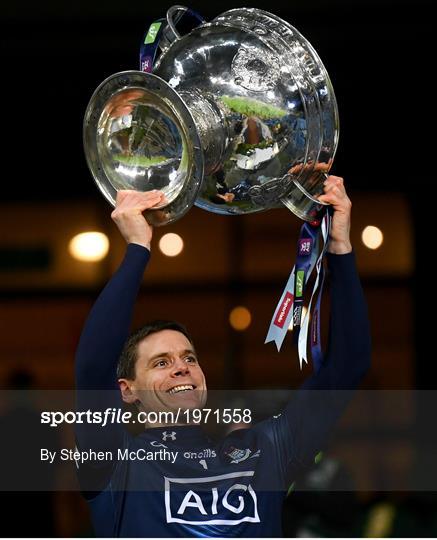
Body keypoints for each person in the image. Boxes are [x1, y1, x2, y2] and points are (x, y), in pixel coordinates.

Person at [75, 176, 371, 537]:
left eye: (189, 358)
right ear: (127, 390)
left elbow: (347, 366)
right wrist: (138, 247)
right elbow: (92, 369)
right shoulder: (116, 464)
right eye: (161, 363)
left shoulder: (265, 451)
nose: (182, 369)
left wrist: (340, 245)